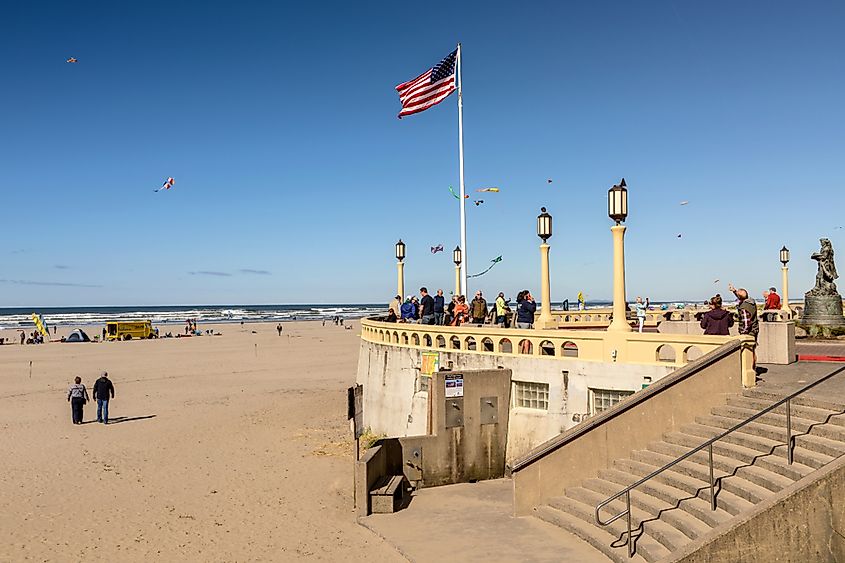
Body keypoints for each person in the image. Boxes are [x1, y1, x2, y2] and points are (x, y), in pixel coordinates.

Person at [729, 283, 759, 368]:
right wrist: (734, 291)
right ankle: (753, 368)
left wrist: (743, 333)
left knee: (749, 351)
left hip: (749, 331)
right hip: (755, 329)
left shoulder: (744, 307)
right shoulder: (751, 302)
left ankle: (750, 369)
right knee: (752, 350)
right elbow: (742, 297)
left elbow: (746, 322)